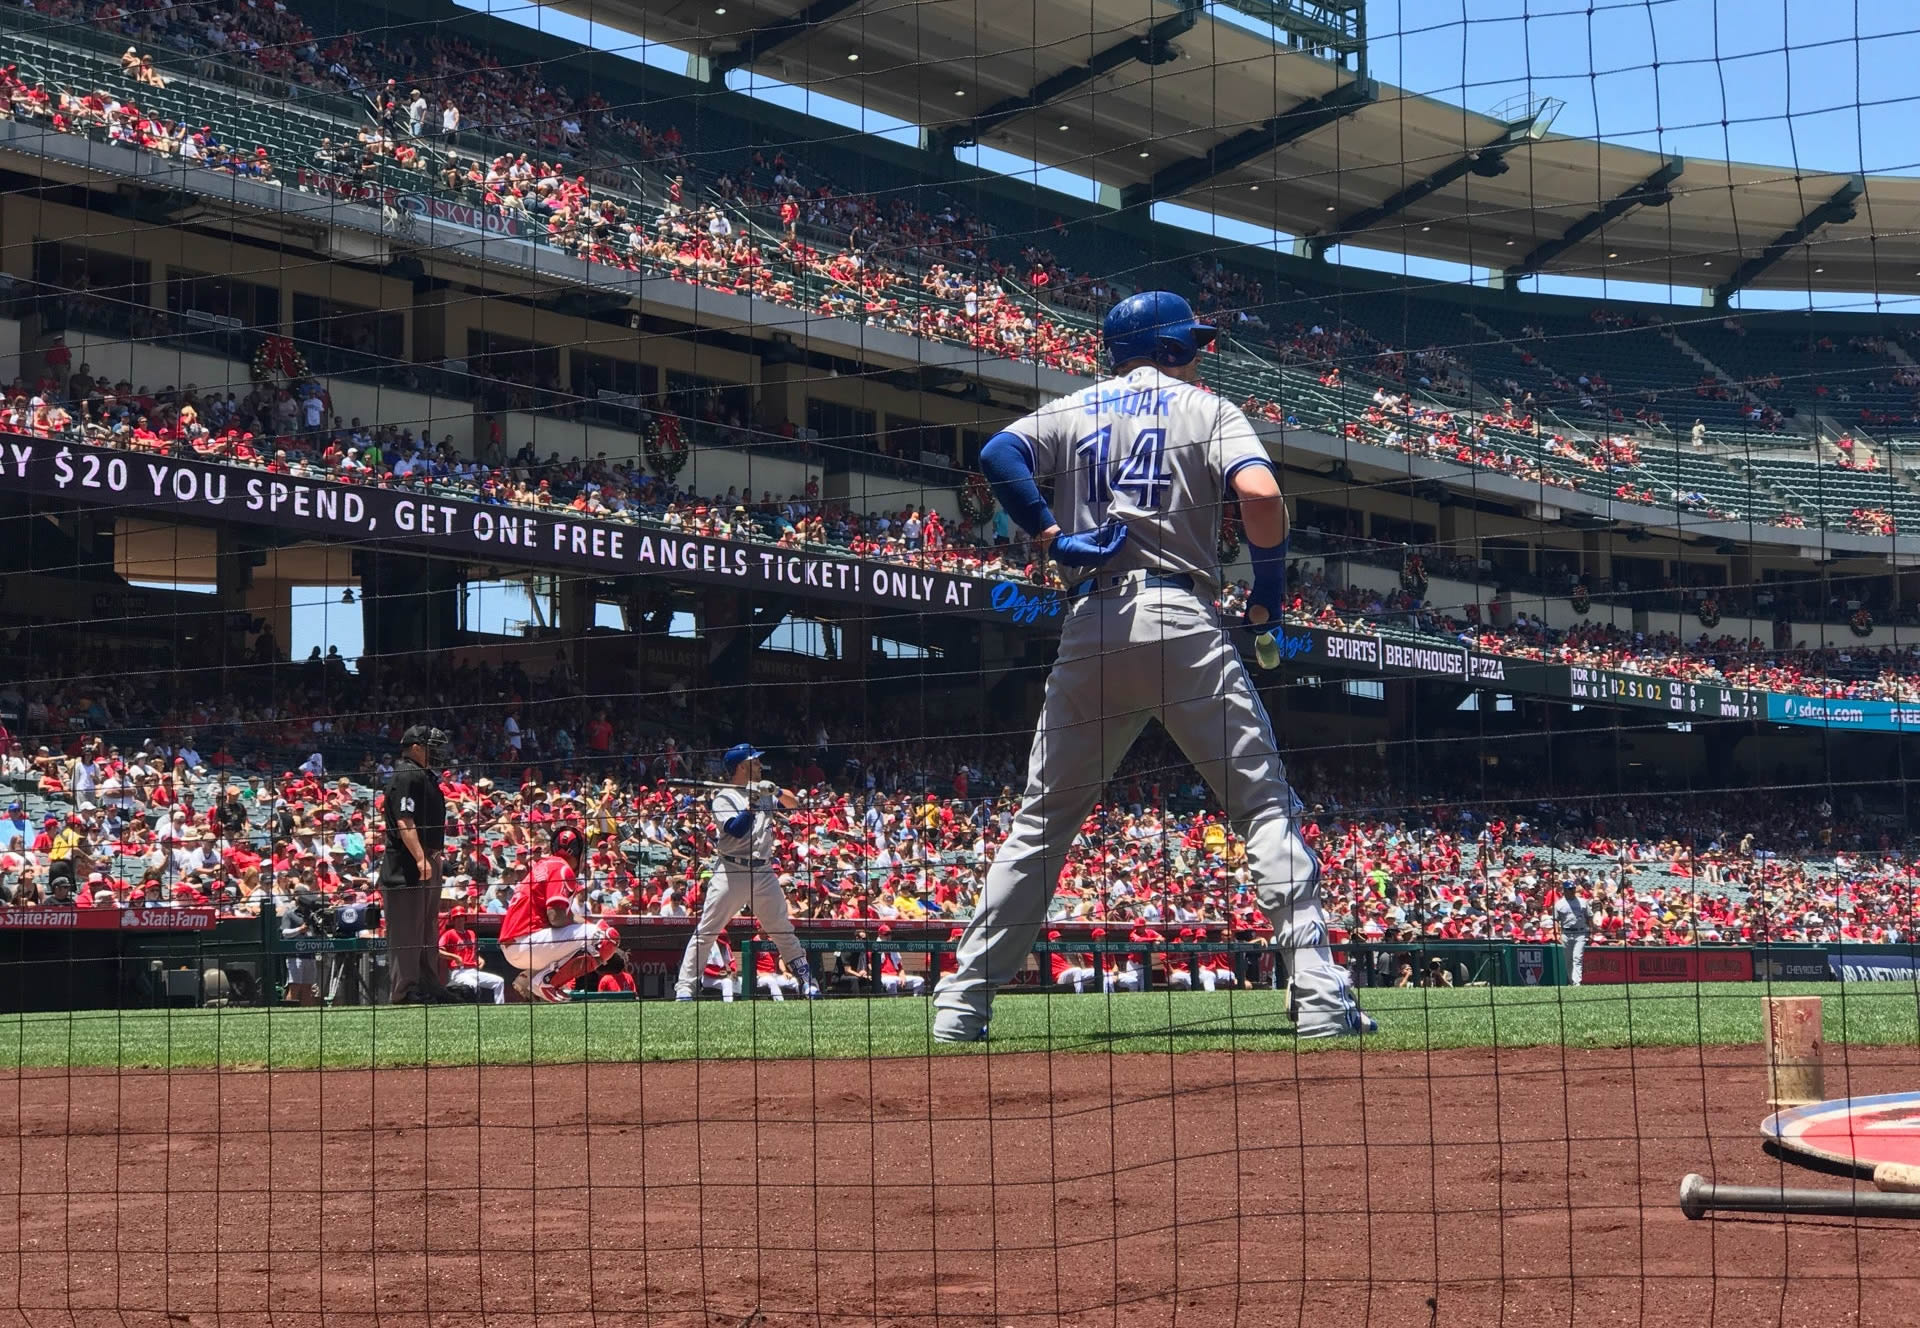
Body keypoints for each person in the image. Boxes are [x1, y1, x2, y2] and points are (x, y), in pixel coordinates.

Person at [931, 290, 1375, 1042]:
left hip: (1090, 621)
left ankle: (961, 1005)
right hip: (1180, 616)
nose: (1199, 349)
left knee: (1042, 823)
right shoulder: (1209, 409)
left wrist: (1049, 536)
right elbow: (1261, 494)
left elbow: (997, 452)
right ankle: (1322, 1000)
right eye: (1191, 339)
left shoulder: (1073, 407)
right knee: (1263, 809)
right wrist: (1268, 591)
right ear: (1171, 346)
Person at [672, 744, 819, 1001]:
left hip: (762, 871)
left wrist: (776, 790)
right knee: (708, 930)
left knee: (782, 930)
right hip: (731, 870)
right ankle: (685, 987)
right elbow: (737, 830)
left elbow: (794, 804)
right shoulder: (724, 797)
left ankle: (807, 981)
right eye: (754, 762)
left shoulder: (763, 790)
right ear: (741, 766)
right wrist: (752, 802)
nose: (760, 766)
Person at [497, 826, 616, 1002]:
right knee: (605, 937)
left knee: (592, 933)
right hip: (528, 941)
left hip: (517, 943)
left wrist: (586, 925)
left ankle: (529, 979)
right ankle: (546, 982)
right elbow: (556, 918)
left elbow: (559, 918)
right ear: (577, 852)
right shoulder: (562, 868)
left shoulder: (543, 865)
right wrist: (602, 940)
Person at [380, 725, 452, 1003]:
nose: (437, 753)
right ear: (415, 747)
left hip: (427, 860)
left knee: (426, 929)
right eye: (431, 747)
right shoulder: (407, 773)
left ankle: (428, 985)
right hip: (406, 868)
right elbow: (404, 820)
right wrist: (421, 858)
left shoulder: (424, 776)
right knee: (407, 933)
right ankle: (405, 991)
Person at [439, 908, 505, 1003]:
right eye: (457, 918)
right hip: (458, 971)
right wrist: (454, 957)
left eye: (462, 917)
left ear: (465, 919)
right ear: (453, 920)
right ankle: (474, 1008)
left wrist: (479, 958)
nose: (460, 920)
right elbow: (439, 951)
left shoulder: (471, 933)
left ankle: (500, 1009)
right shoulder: (449, 934)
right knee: (473, 984)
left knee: (499, 981)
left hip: (473, 970)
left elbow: (471, 951)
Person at [1554, 881, 1593, 986]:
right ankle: (1572, 981)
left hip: (1580, 932)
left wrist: (1591, 931)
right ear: (1565, 890)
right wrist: (1557, 933)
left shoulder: (1582, 902)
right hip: (1566, 933)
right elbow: (1556, 920)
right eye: (1570, 889)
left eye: (1573, 889)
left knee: (1577, 957)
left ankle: (1577, 982)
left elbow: (1589, 916)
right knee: (1568, 959)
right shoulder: (1559, 904)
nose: (1572, 891)